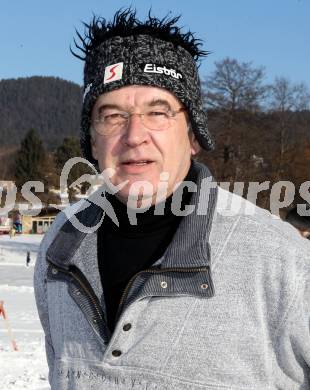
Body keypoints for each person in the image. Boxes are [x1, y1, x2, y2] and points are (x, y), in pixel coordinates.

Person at [34, 9, 310, 389]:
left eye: (158, 112)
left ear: (194, 135)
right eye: (112, 116)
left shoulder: (281, 261)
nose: (134, 136)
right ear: (92, 141)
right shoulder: (60, 250)